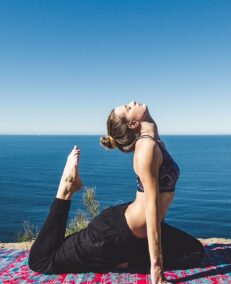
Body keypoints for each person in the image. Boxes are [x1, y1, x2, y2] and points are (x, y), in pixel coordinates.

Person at [28, 101, 205, 284]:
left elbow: (156, 207)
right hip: (112, 235)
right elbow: (151, 208)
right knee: (42, 261)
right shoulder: (146, 147)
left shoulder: (153, 140)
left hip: (135, 232)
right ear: (133, 124)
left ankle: (121, 260)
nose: (132, 102)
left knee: (195, 253)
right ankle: (66, 188)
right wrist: (157, 271)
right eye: (128, 108)